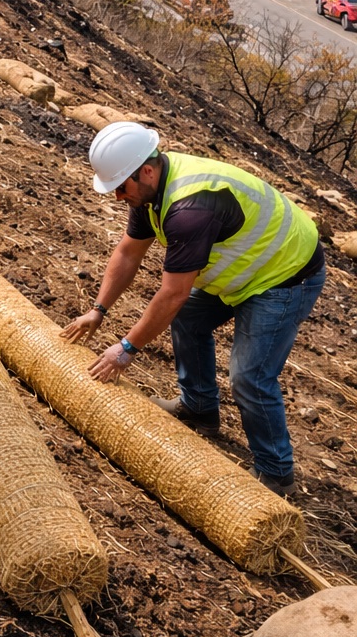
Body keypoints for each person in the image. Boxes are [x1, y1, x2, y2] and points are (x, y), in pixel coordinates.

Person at [60, 122, 325, 497]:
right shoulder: (150, 192)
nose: (118, 197)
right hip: (248, 268)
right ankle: (200, 410)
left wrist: (126, 349)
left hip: (285, 274)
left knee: (249, 375)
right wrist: (98, 310)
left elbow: (172, 295)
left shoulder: (190, 207)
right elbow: (128, 252)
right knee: (189, 320)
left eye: (121, 187)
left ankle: (275, 473)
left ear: (146, 171)